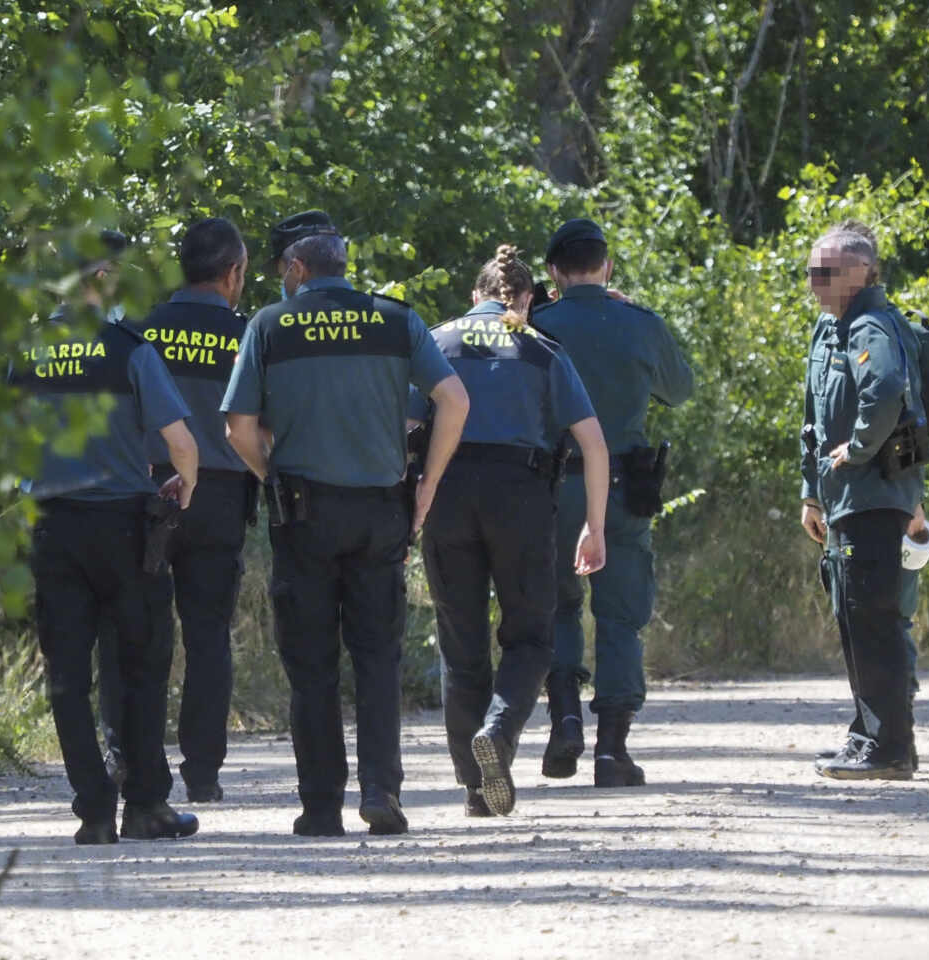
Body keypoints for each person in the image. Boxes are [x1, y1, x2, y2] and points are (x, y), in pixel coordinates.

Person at [222, 210, 469, 836]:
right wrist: (428, 483)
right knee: (378, 659)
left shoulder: (270, 325)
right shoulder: (396, 319)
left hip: (303, 512)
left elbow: (237, 428)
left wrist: (271, 475)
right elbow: (454, 401)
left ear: (297, 270)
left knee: (312, 665)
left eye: (284, 270)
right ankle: (381, 793)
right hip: (381, 510)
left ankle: (321, 805)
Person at [9, 230, 201, 843]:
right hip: (124, 528)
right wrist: (185, 487)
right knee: (142, 665)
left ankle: (93, 811)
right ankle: (145, 805)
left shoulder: (28, 352)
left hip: (53, 527)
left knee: (67, 671)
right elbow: (180, 442)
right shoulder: (129, 349)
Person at [413, 244, 610, 818]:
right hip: (520, 498)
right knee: (530, 637)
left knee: (461, 638)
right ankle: (498, 732)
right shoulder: (543, 349)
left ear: (475, 296)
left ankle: (476, 786)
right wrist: (593, 527)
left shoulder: (436, 341)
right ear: (526, 300)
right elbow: (594, 444)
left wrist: (411, 501)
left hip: (447, 494)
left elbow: (405, 428)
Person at [529, 218, 694, 788]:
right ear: (608, 267)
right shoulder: (640, 324)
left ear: (553, 273)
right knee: (620, 615)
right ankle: (612, 749)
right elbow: (680, 389)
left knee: (556, 605)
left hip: (548, 487)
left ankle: (564, 719)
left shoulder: (535, 324)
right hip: (623, 489)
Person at [96, 218, 256, 803]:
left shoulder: (139, 330)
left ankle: (126, 759)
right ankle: (203, 772)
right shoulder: (247, 337)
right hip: (218, 495)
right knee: (208, 633)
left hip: (143, 492)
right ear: (234, 272)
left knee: (131, 631)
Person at [799, 220, 926, 780]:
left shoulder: (871, 326)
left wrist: (858, 448)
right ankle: (866, 736)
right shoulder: (832, 329)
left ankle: (892, 747)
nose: (813, 283)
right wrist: (812, 493)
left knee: (874, 620)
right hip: (845, 500)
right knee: (853, 618)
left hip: (875, 498)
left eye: (824, 273)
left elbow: (886, 387)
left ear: (860, 273)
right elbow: (812, 421)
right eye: (810, 271)